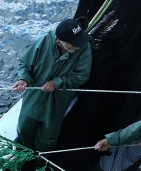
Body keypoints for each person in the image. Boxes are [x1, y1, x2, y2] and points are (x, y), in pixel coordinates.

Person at [13, 18, 92, 154]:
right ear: (59, 42)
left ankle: (41, 160)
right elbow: (25, 64)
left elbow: (82, 75)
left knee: (48, 135)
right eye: (74, 43)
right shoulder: (43, 41)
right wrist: (23, 79)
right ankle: (24, 155)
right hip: (34, 98)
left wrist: (57, 82)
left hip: (58, 101)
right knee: (25, 128)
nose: (79, 46)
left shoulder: (84, 47)